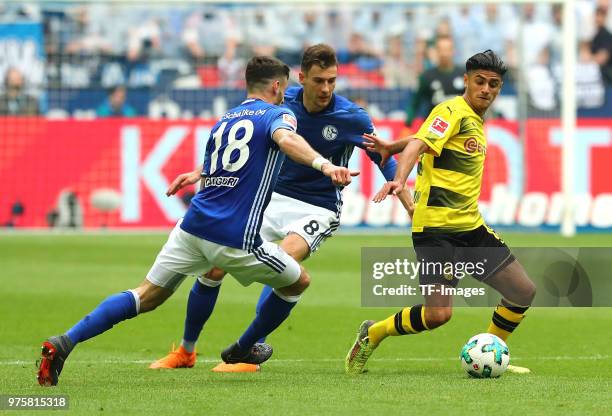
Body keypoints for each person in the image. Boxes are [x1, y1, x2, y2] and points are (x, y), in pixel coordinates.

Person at [36, 56, 355, 386]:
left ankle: (64, 342)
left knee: (145, 295)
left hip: (191, 227)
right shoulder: (280, 114)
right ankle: (243, 349)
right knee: (297, 281)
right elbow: (287, 140)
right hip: (234, 237)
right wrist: (324, 165)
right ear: (276, 86)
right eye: (284, 87)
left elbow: (227, 163)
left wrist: (197, 173)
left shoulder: (227, 119)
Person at [149, 43, 413, 373]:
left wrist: (407, 200)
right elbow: (238, 144)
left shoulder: (351, 116)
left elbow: (385, 158)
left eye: (332, 80)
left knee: (283, 265)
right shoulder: (279, 105)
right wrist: (201, 171)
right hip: (271, 199)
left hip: (317, 207)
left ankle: (245, 349)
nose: (326, 88)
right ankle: (186, 351)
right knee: (213, 268)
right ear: (301, 78)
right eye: (318, 81)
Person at [345, 50, 536, 375]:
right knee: (438, 316)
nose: (486, 89)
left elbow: (427, 138)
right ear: (466, 80)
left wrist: (392, 146)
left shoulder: (470, 119)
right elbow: (420, 144)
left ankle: (490, 351)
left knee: (522, 291)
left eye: (494, 84)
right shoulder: (452, 109)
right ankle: (373, 333)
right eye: (480, 82)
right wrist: (399, 178)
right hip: (436, 231)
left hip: (470, 227)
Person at [405, 35, 464, 128]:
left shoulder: (464, 74)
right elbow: (415, 101)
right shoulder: (427, 76)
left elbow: (474, 101)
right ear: (436, 51)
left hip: (459, 127)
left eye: (447, 49)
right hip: (435, 128)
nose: (444, 53)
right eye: (441, 50)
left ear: (453, 51)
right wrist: (408, 122)